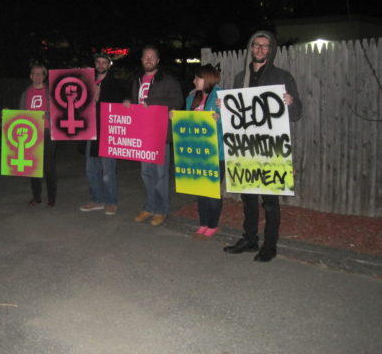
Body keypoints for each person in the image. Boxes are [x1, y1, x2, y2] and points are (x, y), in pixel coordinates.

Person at [223, 30, 302, 262]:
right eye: (256, 45)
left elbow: (297, 114)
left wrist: (291, 102)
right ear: (251, 48)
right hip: (246, 147)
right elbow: (236, 113)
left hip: (270, 147)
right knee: (247, 197)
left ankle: (269, 245)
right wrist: (224, 107)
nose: (260, 49)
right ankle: (249, 239)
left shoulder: (282, 77)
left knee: (269, 201)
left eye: (265, 46)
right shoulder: (240, 77)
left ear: (271, 50)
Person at [126, 45, 184, 226]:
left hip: (160, 135)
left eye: (152, 57)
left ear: (158, 60)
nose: (148, 60)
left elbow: (178, 101)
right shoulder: (138, 80)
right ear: (141, 60)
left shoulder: (167, 80)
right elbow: (137, 104)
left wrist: (150, 102)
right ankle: (149, 206)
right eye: (145, 57)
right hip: (143, 136)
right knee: (146, 173)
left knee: (160, 175)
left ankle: (161, 210)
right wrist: (129, 104)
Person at [79, 52, 127, 215]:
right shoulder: (86, 82)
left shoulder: (114, 83)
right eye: (98, 62)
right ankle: (96, 200)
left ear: (109, 65)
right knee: (91, 169)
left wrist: (123, 101)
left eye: (104, 62)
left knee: (108, 170)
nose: (100, 65)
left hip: (107, 132)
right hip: (90, 131)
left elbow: (121, 103)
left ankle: (111, 201)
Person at [184, 64, 225, 239]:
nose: (194, 81)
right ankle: (203, 223)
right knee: (200, 189)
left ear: (207, 79)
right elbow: (187, 120)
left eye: (197, 78)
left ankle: (213, 224)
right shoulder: (192, 97)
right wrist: (176, 117)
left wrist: (221, 117)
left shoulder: (221, 97)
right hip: (198, 151)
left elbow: (235, 123)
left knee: (212, 191)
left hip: (216, 153)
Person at [19, 64, 57, 207]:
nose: (37, 76)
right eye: (34, 73)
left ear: (44, 76)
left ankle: (52, 198)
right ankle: (36, 197)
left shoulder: (51, 92)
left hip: (48, 132)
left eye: (40, 74)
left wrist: (45, 115)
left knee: (49, 167)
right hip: (32, 133)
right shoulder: (25, 93)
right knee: (33, 167)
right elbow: (20, 115)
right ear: (30, 76)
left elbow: (58, 112)